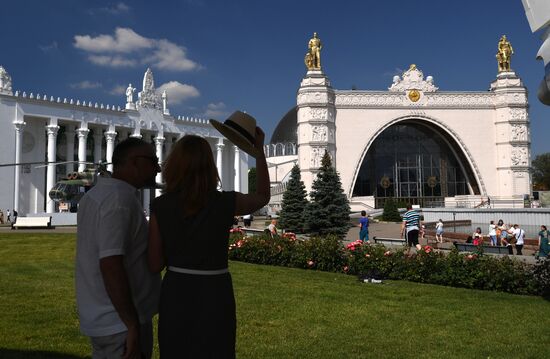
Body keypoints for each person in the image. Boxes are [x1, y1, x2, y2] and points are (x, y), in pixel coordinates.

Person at [148, 111, 270, 358]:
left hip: (177, 291)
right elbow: (263, 197)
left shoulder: (161, 206)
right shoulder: (225, 202)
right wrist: (259, 153)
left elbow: (154, 263)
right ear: (209, 166)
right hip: (215, 290)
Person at [75, 138, 162, 359]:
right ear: (134, 163)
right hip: (120, 323)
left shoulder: (94, 196)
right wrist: (131, 323)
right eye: (153, 161)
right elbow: (110, 264)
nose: (158, 168)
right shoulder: (119, 199)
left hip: (103, 317)